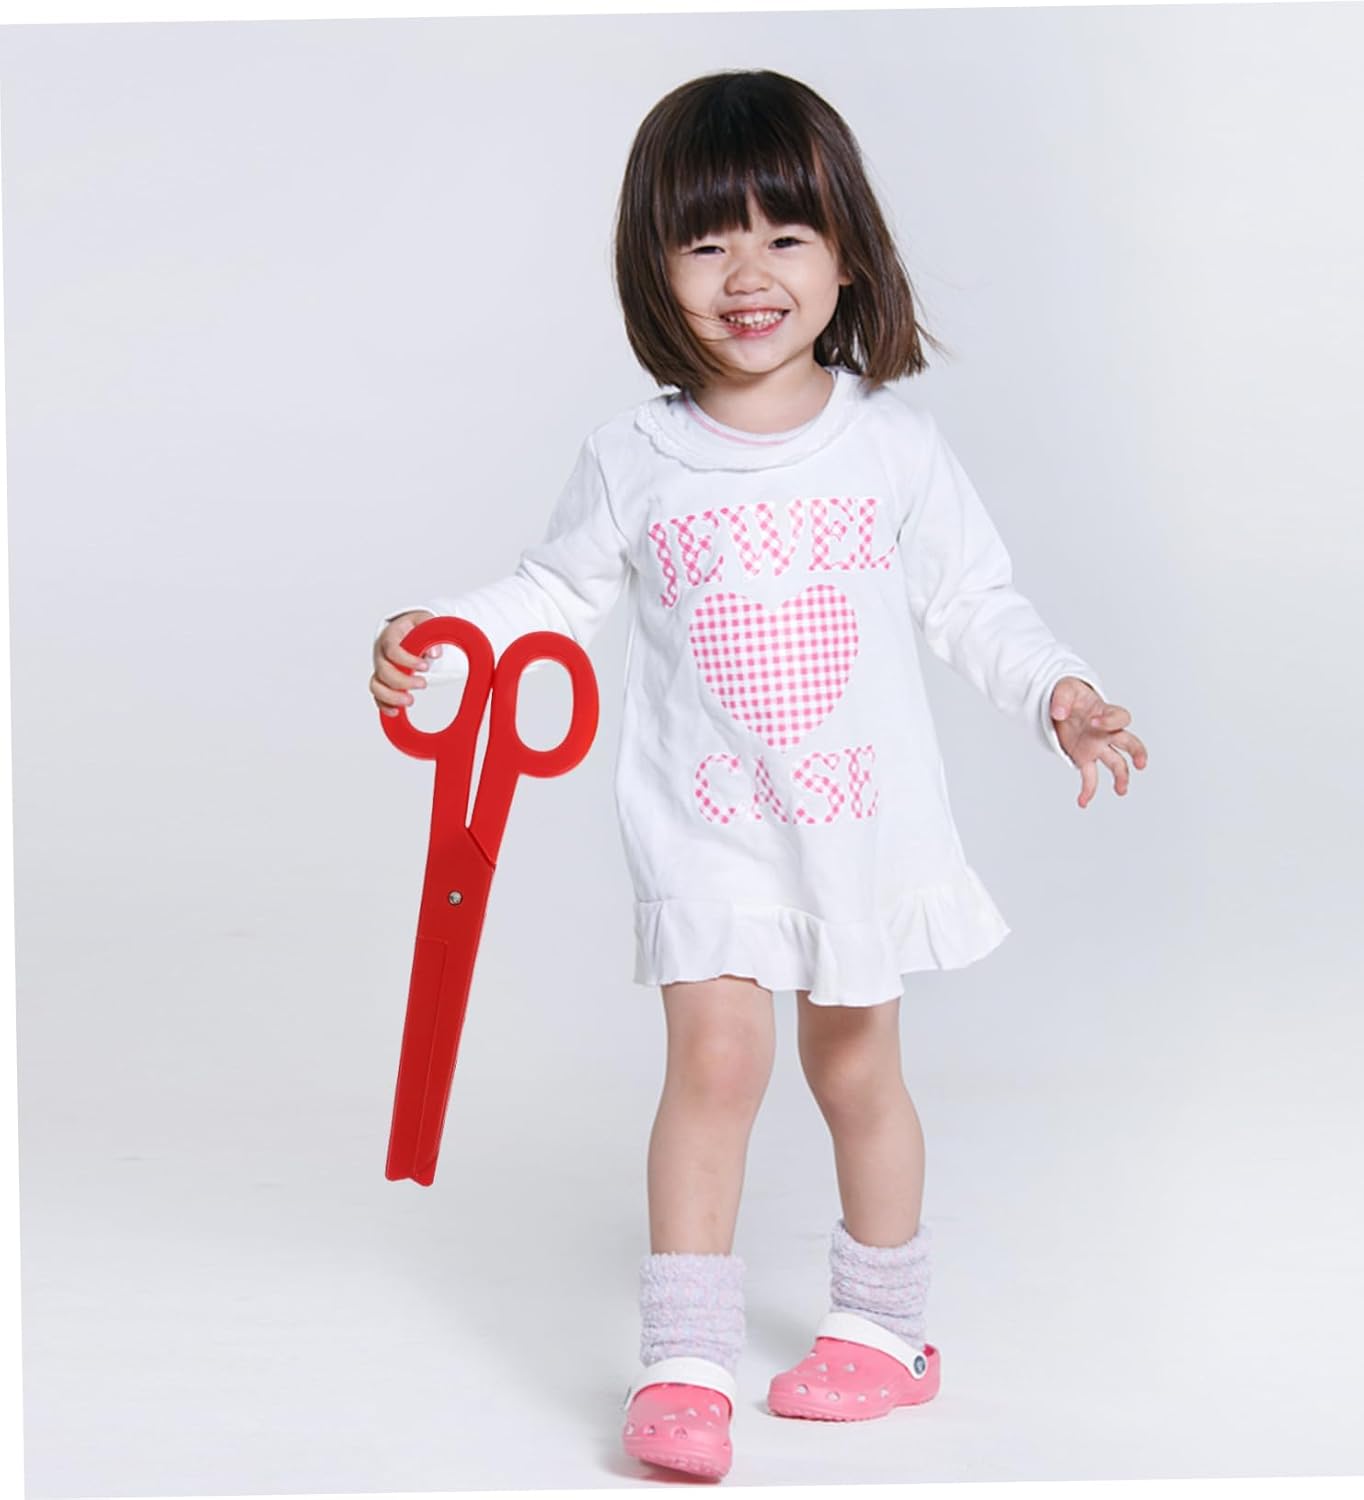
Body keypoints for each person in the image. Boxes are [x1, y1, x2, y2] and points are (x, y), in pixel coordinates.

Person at [370, 69, 1147, 1481]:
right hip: (708, 827)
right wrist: (445, 638)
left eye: (785, 236)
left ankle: (885, 1330)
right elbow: (553, 594)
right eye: (706, 240)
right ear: (652, 266)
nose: (747, 274)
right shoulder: (634, 456)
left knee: (854, 1069)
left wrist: (1062, 695)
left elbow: (974, 604)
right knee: (716, 1065)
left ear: (846, 257)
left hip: (857, 829)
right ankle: (682, 1363)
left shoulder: (890, 447)